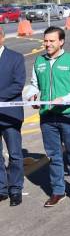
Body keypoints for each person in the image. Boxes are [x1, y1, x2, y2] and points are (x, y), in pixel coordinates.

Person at [27, 26, 70, 207]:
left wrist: (65, 99)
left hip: (68, 115)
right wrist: (32, 96)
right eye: (45, 41)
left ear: (61, 41)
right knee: (53, 156)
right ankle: (58, 191)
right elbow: (34, 85)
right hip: (47, 116)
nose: (48, 44)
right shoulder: (39, 61)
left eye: (52, 41)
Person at [0, 26, 26, 206]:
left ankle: (15, 189)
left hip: (10, 115)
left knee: (15, 154)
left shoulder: (16, 58)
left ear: (2, 38)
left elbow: (18, 84)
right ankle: (1, 189)